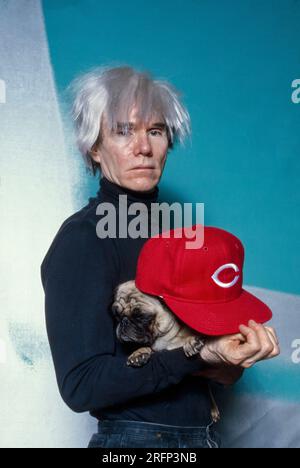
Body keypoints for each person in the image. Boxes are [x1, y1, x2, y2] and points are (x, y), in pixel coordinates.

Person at [40, 66, 280, 449]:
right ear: (95, 147)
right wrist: (196, 355)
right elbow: (81, 385)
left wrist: (232, 356)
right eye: (123, 130)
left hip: (201, 436)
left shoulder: (177, 235)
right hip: (136, 444)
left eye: (155, 131)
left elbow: (215, 369)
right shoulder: (84, 239)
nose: (144, 147)